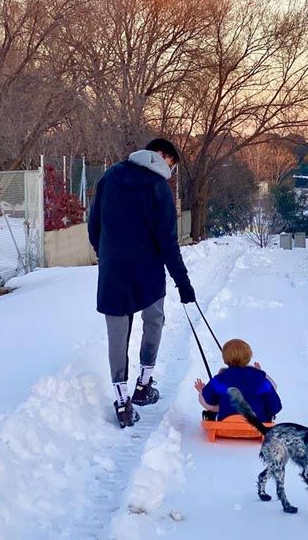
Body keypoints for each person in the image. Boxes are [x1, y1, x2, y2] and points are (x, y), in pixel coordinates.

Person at [88, 137, 196, 428]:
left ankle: (122, 402)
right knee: (153, 320)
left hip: (112, 271)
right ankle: (143, 386)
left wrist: (106, 254)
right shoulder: (158, 188)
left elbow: (93, 223)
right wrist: (182, 283)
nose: (170, 172)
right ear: (161, 155)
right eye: (171, 164)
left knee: (117, 334)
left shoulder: (109, 176)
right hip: (147, 271)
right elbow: (167, 243)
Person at [194, 338, 282, 423]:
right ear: (248, 357)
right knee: (266, 395)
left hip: (227, 424)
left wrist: (202, 390)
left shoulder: (219, 380)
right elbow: (275, 407)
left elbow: (208, 400)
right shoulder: (260, 380)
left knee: (211, 398)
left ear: (225, 359)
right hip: (258, 425)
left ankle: (212, 417)